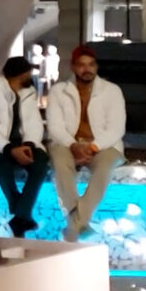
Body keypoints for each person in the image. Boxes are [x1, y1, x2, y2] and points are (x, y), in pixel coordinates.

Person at [45, 44, 126, 241]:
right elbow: (54, 126)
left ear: (96, 67)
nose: (87, 69)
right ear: (73, 67)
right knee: (59, 162)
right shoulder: (58, 91)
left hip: (104, 146)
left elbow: (116, 128)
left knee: (105, 168)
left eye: (91, 64)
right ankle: (80, 224)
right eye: (81, 65)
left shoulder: (112, 91)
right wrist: (73, 145)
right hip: (67, 144)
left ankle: (75, 224)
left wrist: (92, 146)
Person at [0, 56, 47, 237]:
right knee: (3, 168)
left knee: (40, 164)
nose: (30, 76)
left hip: (24, 143)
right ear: (21, 75)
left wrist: (29, 144)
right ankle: (21, 213)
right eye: (28, 72)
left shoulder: (28, 91)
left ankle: (20, 215)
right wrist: (9, 149)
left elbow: (34, 123)